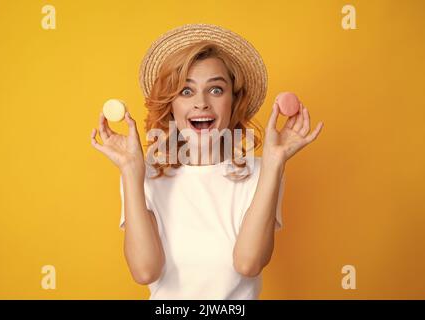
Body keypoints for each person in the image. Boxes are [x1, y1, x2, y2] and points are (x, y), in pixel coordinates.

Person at [90, 23, 324, 299]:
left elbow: (248, 264)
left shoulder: (263, 172)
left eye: (215, 90)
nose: (201, 103)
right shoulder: (144, 175)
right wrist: (130, 171)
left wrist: (274, 162)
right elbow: (144, 272)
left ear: (233, 102)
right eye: (186, 92)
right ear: (171, 105)